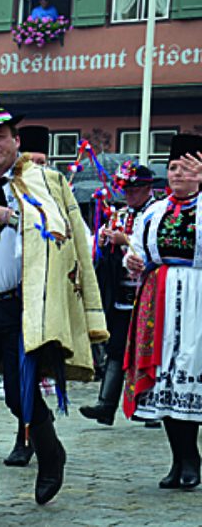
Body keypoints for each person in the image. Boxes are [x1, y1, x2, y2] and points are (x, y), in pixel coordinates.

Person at [0, 79, 107, 515]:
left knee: (20, 397)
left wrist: (10, 215)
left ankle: (51, 453)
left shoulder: (43, 179)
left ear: (16, 140)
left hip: (23, 305)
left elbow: (60, 234)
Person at [122, 134, 202, 490]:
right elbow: (136, 250)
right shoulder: (154, 212)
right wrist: (133, 261)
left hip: (198, 297)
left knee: (190, 369)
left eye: (186, 168)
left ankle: (192, 459)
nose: (178, 174)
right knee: (165, 375)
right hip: (160, 301)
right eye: (172, 168)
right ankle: (179, 459)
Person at [79, 162, 156, 428]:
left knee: (148, 348)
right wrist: (103, 241)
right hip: (121, 293)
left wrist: (125, 241)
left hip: (150, 292)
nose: (129, 194)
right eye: (125, 189)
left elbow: (153, 245)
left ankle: (150, 406)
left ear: (147, 188)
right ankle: (106, 405)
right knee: (116, 346)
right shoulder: (119, 214)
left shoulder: (158, 212)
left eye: (134, 189)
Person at [0, 123, 52, 467]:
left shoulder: (49, 185)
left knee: (28, 373)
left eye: (42, 160)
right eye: (31, 159)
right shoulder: (6, 183)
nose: (36, 165)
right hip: (5, 294)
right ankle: (32, 430)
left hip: (39, 293)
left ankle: (29, 436)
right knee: (12, 379)